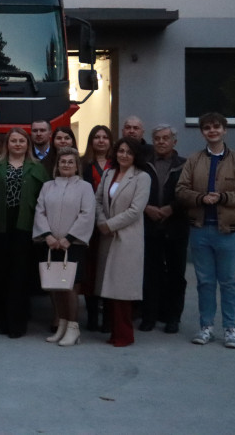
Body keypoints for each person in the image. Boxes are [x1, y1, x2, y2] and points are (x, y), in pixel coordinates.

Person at [176, 112, 235, 349]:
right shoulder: (193, 160)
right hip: (201, 229)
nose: (212, 131)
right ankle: (206, 327)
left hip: (228, 232)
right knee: (205, 281)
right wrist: (201, 198)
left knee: (229, 282)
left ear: (225, 130)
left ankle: (231, 329)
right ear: (202, 132)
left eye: (216, 127)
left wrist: (224, 197)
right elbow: (181, 191)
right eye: (207, 128)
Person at [0, 127, 48, 337]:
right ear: (6, 144)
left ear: (27, 145)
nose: (18, 144)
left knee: (20, 275)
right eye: (13, 141)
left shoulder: (37, 168)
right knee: (0, 273)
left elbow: (45, 199)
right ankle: (2, 320)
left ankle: (17, 323)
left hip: (25, 227)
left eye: (22, 141)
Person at [33, 147, 96, 347]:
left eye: (70, 162)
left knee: (70, 287)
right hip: (52, 244)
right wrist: (48, 236)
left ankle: (73, 327)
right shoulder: (48, 186)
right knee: (55, 286)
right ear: (57, 165)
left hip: (73, 244)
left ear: (77, 165)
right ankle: (61, 323)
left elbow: (87, 214)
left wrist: (70, 237)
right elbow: (39, 211)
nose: (66, 165)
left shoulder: (85, 187)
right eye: (63, 162)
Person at [94, 137, 150, 348]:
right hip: (107, 236)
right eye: (121, 151)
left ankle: (124, 335)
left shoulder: (142, 177)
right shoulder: (109, 173)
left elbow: (136, 211)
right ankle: (112, 332)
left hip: (128, 238)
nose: (123, 155)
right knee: (108, 287)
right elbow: (98, 200)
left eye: (129, 152)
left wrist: (110, 225)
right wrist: (101, 221)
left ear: (135, 155)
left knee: (123, 290)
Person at [140, 124, 187, 334]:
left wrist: (171, 208)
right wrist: (146, 207)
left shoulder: (185, 165)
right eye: (157, 138)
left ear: (174, 141)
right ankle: (149, 316)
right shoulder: (143, 164)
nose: (161, 142)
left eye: (165, 138)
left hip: (176, 226)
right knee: (151, 273)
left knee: (176, 274)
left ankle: (172, 317)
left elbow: (190, 193)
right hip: (149, 225)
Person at [79, 124, 113, 331]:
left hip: (111, 224)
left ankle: (108, 318)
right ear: (91, 141)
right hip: (89, 226)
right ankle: (91, 316)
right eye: (97, 137)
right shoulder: (83, 164)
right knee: (90, 271)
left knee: (108, 271)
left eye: (105, 137)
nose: (101, 140)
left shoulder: (118, 164)